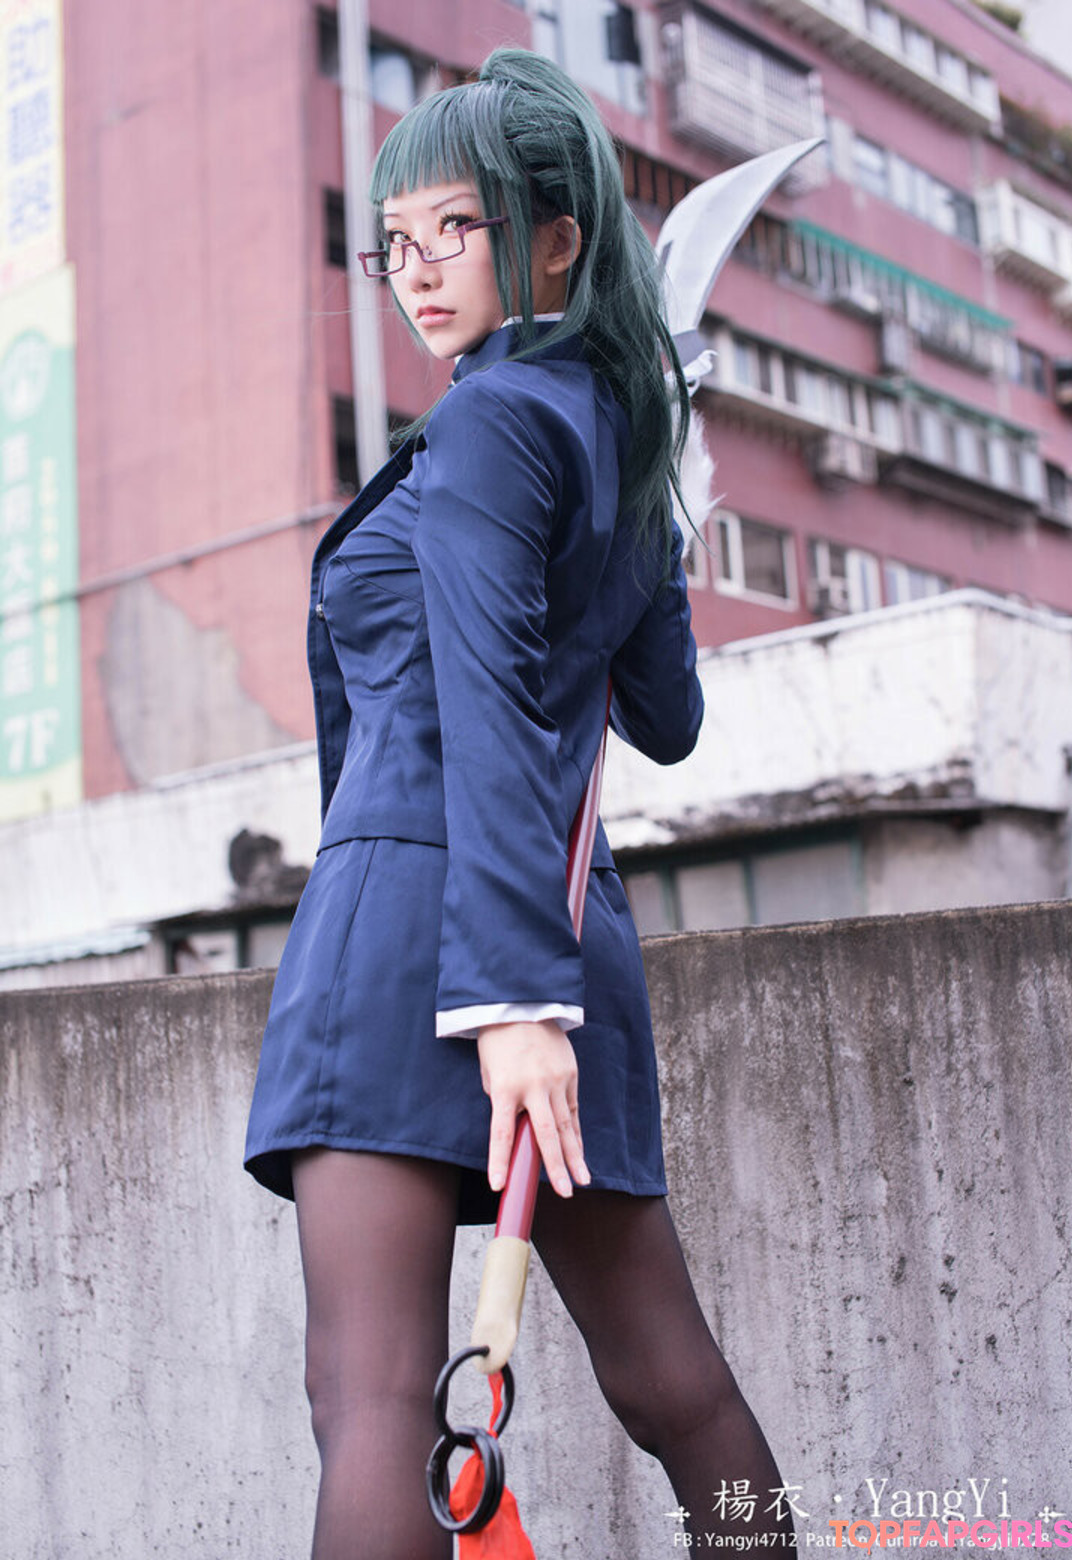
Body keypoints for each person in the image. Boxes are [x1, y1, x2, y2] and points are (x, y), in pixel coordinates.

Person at [245, 47, 794, 1560]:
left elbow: (489, 703)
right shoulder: (604, 423)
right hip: (562, 924)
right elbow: (666, 716)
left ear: (555, 242)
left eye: (455, 228)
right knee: (672, 1383)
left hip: (428, 943)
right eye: (394, 240)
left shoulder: (493, 421)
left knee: (371, 1402)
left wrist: (504, 1002)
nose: (417, 269)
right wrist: (660, 493)